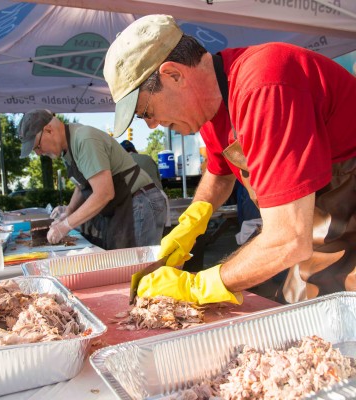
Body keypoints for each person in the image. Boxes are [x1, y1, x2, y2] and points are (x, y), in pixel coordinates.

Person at [103, 14, 356, 304]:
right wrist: (193, 221)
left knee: (330, 311)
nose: (150, 125)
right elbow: (220, 171)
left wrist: (197, 287)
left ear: (173, 74)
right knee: (267, 294)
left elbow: (288, 240)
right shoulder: (211, 109)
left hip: (345, 207)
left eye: (145, 111)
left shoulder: (264, 86)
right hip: (306, 219)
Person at [18, 109, 167, 250]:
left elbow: (104, 193)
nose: (38, 153)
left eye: (37, 146)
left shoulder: (84, 139)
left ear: (49, 130)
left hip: (140, 202)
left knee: (140, 271)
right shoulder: (67, 150)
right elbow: (82, 185)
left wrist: (66, 226)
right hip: (126, 205)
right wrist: (68, 213)